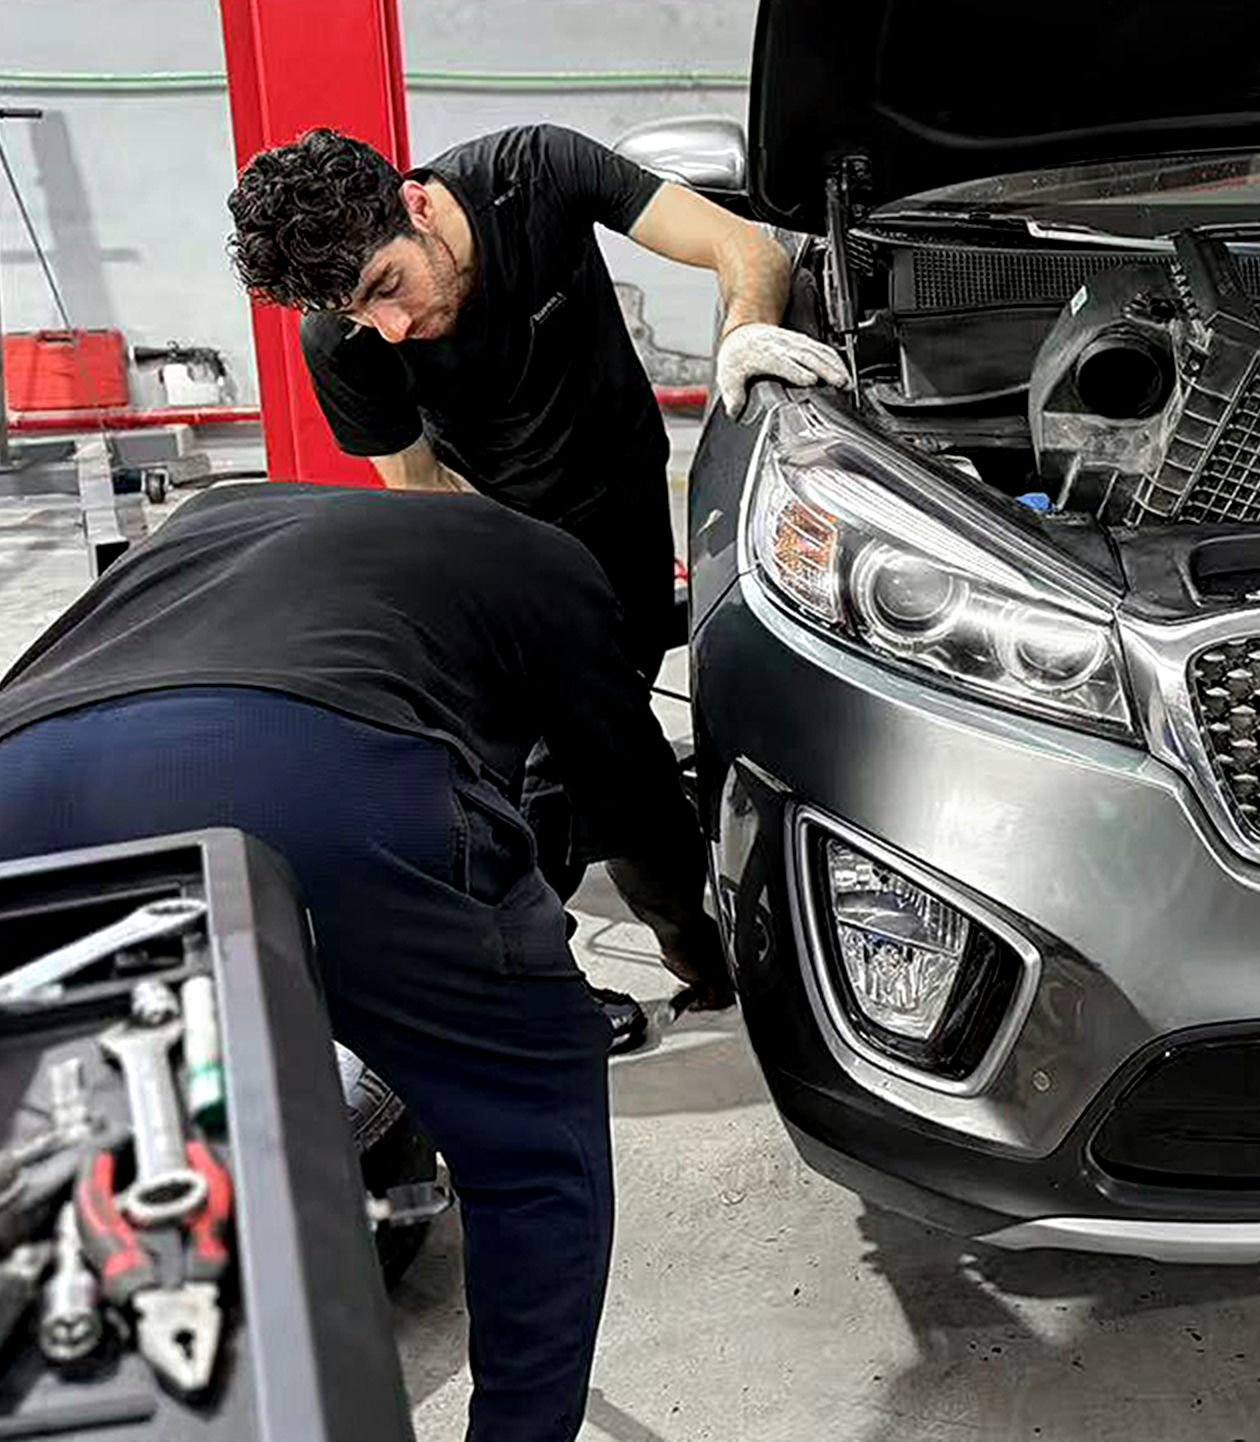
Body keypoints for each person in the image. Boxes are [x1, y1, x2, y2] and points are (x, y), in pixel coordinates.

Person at [0, 483, 735, 1442]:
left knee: (70, 1149)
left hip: (24, 784)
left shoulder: (214, 513)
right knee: (530, 1134)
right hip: (321, 777)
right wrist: (689, 936)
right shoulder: (555, 562)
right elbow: (627, 790)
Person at [224, 124, 849, 919]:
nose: (391, 328)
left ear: (417, 206)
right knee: (549, 770)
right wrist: (527, 597)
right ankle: (583, 947)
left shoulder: (536, 173)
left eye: (387, 285)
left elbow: (746, 248)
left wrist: (747, 329)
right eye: (357, 311)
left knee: (615, 727)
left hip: (623, 505)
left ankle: (678, 934)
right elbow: (424, 491)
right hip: (503, 540)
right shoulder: (343, 343)